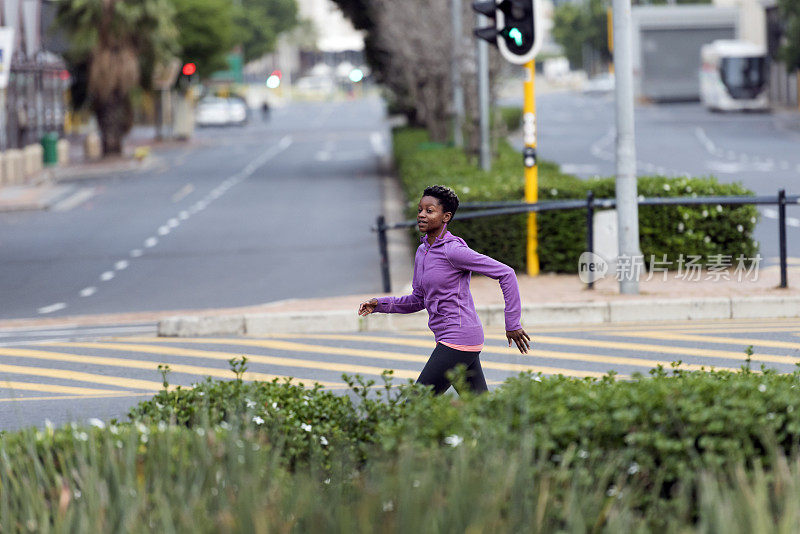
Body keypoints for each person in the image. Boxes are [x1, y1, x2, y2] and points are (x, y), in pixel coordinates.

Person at [358, 185, 531, 396]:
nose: (421, 215)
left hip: (457, 338)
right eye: (420, 210)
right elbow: (418, 299)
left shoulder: (454, 251)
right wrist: (381, 304)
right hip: (454, 338)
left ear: (446, 217)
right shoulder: (423, 251)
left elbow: (506, 273)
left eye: (429, 211)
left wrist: (512, 323)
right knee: (481, 411)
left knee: (416, 404)